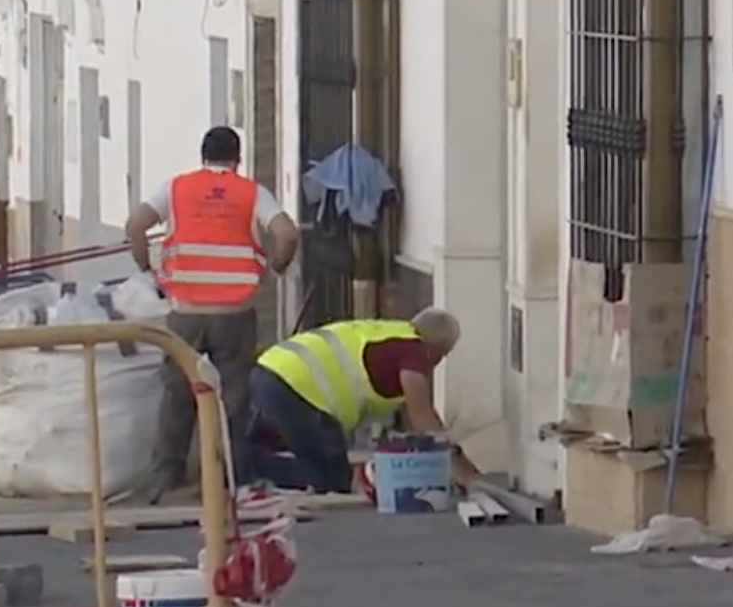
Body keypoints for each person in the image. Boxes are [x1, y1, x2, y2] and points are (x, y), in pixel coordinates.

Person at [126, 126, 298, 498]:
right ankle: (222, 481)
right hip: (234, 313)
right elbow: (288, 234)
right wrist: (275, 269)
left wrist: (147, 267)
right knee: (232, 400)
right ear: (237, 158)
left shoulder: (175, 188)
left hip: (185, 311)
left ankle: (166, 479)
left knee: (178, 394)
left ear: (202, 155)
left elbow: (135, 225)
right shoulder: (252, 193)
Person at [247, 310, 476, 495]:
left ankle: (242, 464)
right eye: (443, 354)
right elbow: (423, 419)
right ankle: (250, 468)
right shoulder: (414, 351)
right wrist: (462, 470)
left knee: (267, 445)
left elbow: (412, 419)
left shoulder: (389, 336)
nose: (438, 362)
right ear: (437, 346)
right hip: (298, 390)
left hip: (269, 370)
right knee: (330, 478)